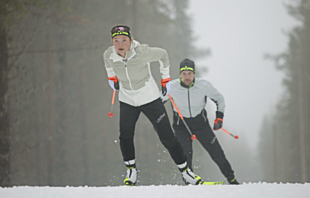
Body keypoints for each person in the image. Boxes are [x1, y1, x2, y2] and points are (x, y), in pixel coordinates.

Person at [103, 25, 204, 186]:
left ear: (131, 40)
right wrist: (112, 78)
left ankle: (186, 172)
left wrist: (165, 79)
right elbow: (108, 65)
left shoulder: (142, 52)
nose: (120, 44)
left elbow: (163, 55)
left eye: (124, 40)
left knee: (167, 137)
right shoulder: (109, 54)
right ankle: (131, 172)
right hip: (127, 99)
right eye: (116, 41)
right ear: (112, 42)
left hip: (149, 98)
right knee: (125, 136)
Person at [162, 58, 239, 185]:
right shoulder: (171, 87)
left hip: (201, 125)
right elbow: (157, 104)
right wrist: (160, 122)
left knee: (217, 153)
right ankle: (189, 183)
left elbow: (219, 99)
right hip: (181, 126)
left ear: (194, 74)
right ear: (180, 74)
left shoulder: (203, 85)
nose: (187, 77)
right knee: (185, 156)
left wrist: (219, 117)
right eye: (184, 74)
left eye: (190, 74)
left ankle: (232, 179)